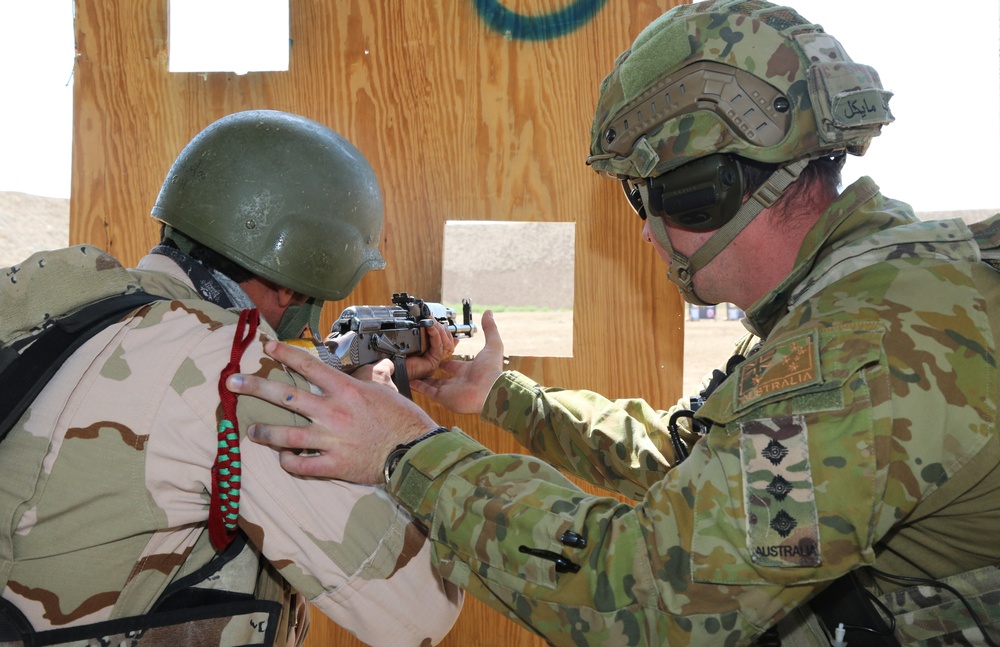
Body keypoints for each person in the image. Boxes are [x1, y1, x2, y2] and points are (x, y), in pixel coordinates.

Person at [227, 3, 1000, 645]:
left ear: (706, 192)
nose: (643, 233)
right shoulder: (876, 287)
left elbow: (646, 591)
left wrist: (402, 453)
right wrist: (506, 398)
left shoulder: (864, 349)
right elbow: (693, 461)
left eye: (645, 198)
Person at [0, 110, 462, 646]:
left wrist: (342, 376)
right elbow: (421, 611)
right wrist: (390, 425)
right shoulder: (233, 370)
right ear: (292, 285)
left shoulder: (69, 301)